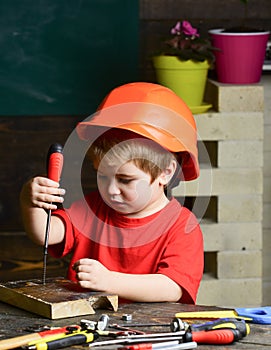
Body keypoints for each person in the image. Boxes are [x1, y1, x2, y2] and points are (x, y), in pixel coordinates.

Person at [20, 82, 204, 304]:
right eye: (102, 176)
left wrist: (109, 281)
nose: (111, 190)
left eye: (125, 180)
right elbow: (47, 234)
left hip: (150, 332)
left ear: (165, 173)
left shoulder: (181, 226)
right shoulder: (94, 208)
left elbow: (171, 288)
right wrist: (29, 201)